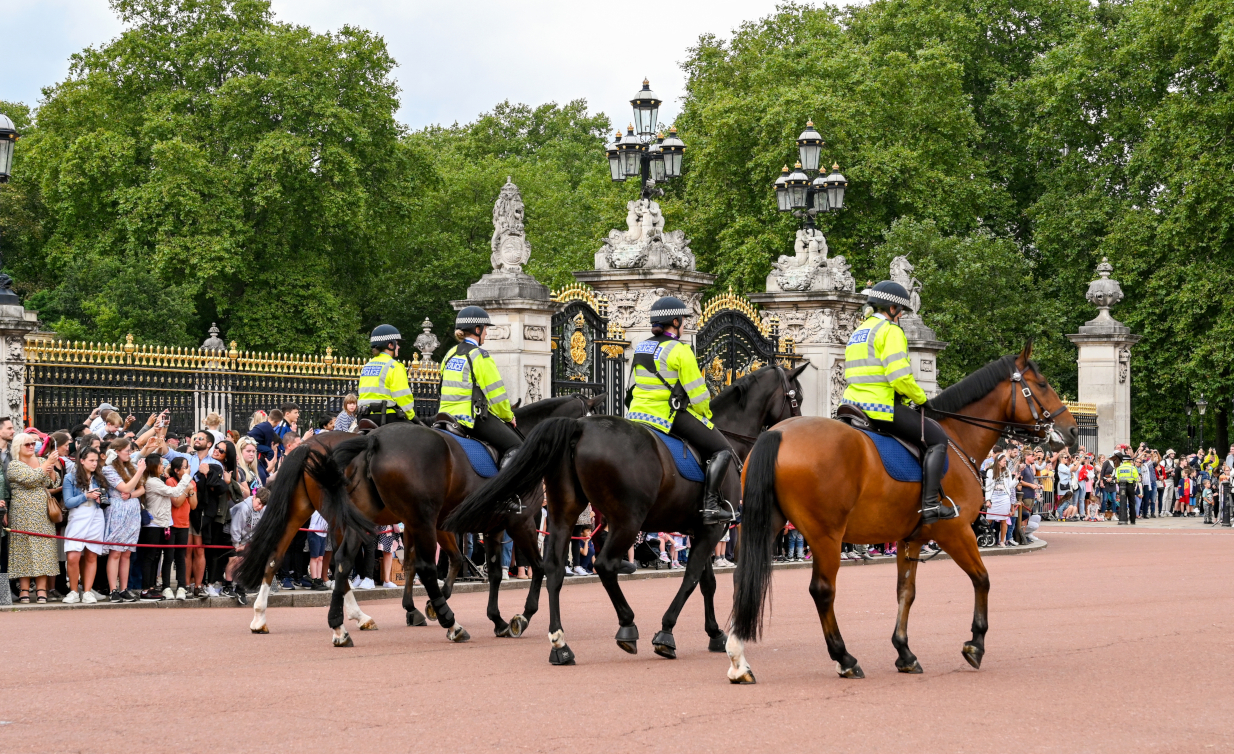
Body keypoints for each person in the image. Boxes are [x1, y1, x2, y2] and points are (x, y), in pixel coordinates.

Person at [842, 280, 954, 525]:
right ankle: (931, 506)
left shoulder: (859, 332)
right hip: (879, 407)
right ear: (891, 308)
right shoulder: (890, 331)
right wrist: (922, 399)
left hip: (851, 404)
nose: (901, 315)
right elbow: (899, 376)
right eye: (900, 310)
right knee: (937, 439)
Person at [626, 296, 735, 525]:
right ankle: (711, 507)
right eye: (683, 319)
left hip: (635, 414)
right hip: (666, 415)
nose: (684, 324)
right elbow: (698, 393)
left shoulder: (642, 346)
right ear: (675, 322)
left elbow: (634, 385)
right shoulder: (680, 350)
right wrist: (706, 416)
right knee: (722, 449)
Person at [439, 306, 521, 468]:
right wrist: (508, 416)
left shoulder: (450, 354)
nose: (486, 333)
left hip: (444, 416)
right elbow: (496, 394)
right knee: (517, 447)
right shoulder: (480, 356)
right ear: (477, 329)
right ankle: (505, 488)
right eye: (485, 329)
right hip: (469, 418)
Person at [6, 433, 60, 603]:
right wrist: (48, 465)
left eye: (33, 443)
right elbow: (30, 479)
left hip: (43, 513)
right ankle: (24, 590)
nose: (31, 446)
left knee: (43, 549)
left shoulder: (43, 461)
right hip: (22, 513)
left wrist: (51, 471)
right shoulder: (14, 465)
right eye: (27, 444)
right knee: (24, 550)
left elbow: (55, 483)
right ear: (18, 448)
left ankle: (42, 590)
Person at [61, 446, 106, 603]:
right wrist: (86, 496)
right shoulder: (70, 477)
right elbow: (68, 502)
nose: (94, 464)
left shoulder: (99, 477)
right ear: (82, 461)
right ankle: (73, 591)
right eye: (91, 460)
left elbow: (107, 501)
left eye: (96, 460)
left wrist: (102, 500)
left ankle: (87, 591)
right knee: (73, 556)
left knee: (91, 554)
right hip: (78, 516)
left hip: (96, 516)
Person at [358, 325, 416, 425]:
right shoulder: (394, 366)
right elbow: (403, 396)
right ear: (390, 345)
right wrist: (411, 416)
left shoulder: (367, 366)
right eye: (397, 343)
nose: (399, 347)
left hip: (363, 418)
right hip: (386, 417)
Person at [165, 456, 196, 599]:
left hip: (184, 524)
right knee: (169, 556)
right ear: (176, 470)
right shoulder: (170, 481)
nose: (187, 469)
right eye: (184, 467)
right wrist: (185, 490)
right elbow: (176, 502)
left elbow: (194, 505)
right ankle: (166, 586)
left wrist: (191, 491)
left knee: (181, 556)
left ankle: (182, 586)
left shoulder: (191, 482)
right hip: (171, 523)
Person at [984, 452, 1016, 545]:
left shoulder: (1007, 471)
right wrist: (988, 500)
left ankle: (1002, 541)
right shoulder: (990, 472)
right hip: (994, 497)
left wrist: (1016, 479)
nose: (1005, 463)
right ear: (998, 462)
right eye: (1003, 461)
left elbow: (1010, 485)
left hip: (1004, 497)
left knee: (1004, 520)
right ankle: (985, 537)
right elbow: (988, 487)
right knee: (989, 519)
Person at [1115, 452, 1139, 526]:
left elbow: (1117, 479)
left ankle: (1123, 518)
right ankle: (1132, 520)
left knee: (1122, 502)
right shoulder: (1133, 468)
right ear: (1129, 461)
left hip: (1122, 487)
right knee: (1132, 503)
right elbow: (1137, 478)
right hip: (1130, 486)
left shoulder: (1119, 468)